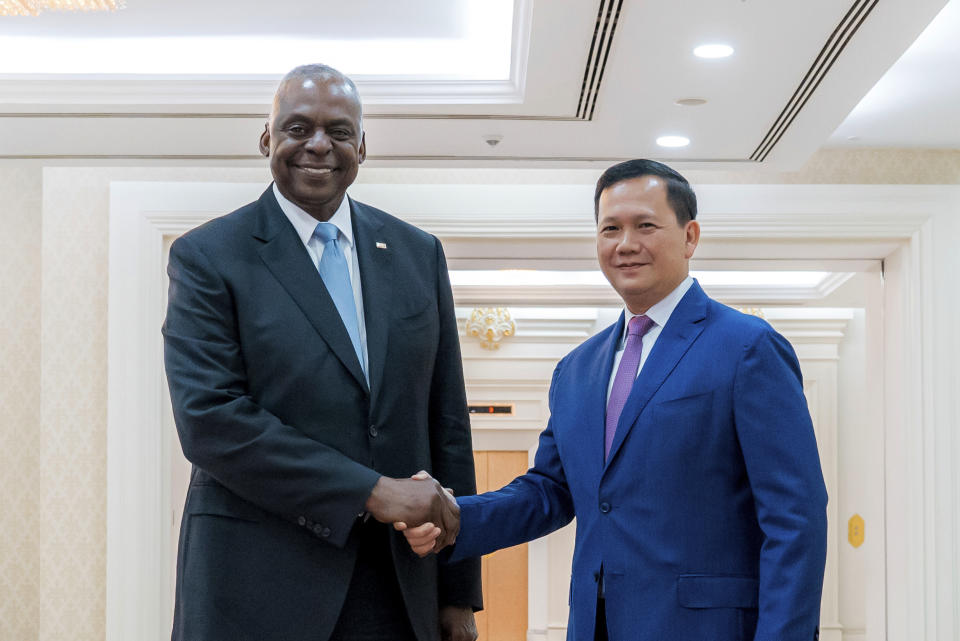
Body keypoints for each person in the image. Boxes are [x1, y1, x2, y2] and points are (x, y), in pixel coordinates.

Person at [399, 159, 828, 641]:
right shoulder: (576, 369)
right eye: (610, 229)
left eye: (645, 225)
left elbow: (795, 518)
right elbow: (550, 491)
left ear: (690, 237)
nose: (626, 244)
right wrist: (455, 517)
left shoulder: (748, 348)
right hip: (594, 625)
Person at [163, 63, 480, 641]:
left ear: (362, 145)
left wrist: (459, 594)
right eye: (298, 127)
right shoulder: (209, 256)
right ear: (267, 139)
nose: (318, 145)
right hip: (256, 584)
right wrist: (371, 490)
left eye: (338, 131)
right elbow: (209, 422)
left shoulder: (417, 254)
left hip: (398, 586)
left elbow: (447, 422)